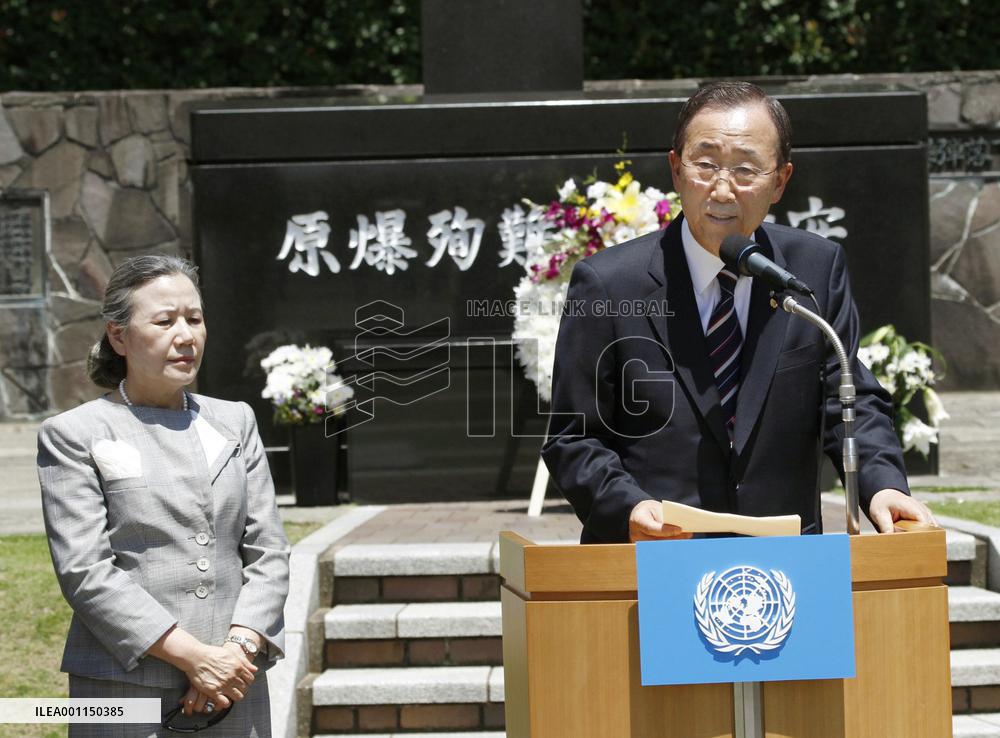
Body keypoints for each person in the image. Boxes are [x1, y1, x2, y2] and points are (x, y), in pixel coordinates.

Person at [541, 81, 934, 544]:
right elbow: (573, 437)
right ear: (676, 169)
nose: (722, 189)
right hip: (655, 557)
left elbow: (849, 400)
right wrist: (627, 505)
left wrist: (882, 484)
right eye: (705, 165)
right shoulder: (608, 284)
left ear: (780, 181)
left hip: (784, 565)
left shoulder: (813, 269)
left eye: (746, 170)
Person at [37, 255, 289, 736]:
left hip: (234, 683)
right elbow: (85, 571)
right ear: (118, 336)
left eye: (194, 319)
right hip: (123, 688)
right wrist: (194, 658)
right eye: (165, 321)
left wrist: (235, 652)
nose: (185, 335)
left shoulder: (235, 420)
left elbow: (269, 551)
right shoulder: (74, 433)